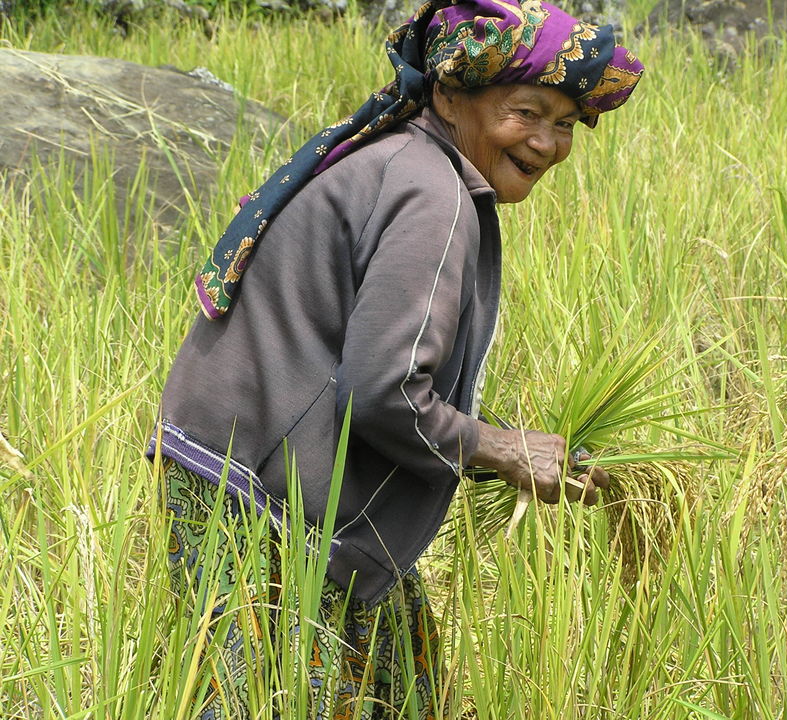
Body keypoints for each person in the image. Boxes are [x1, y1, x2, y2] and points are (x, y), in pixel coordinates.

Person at [149, 0, 643, 717]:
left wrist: (501, 443)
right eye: (527, 112)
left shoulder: (409, 162)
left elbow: (371, 364)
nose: (546, 142)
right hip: (261, 496)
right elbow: (383, 390)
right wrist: (501, 449)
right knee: (279, 694)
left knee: (394, 681)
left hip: (240, 468)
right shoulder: (431, 192)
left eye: (565, 124)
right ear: (449, 94)